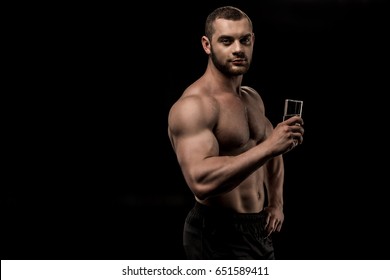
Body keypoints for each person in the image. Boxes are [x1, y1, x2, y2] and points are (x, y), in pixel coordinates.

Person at [167, 6, 304, 260]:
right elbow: (201, 181)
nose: (238, 49)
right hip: (216, 233)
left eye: (245, 40)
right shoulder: (194, 106)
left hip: (257, 229)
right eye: (227, 41)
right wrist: (270, 146)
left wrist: (277, 202)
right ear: (207, 45)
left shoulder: (252, 98)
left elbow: (273, 151)